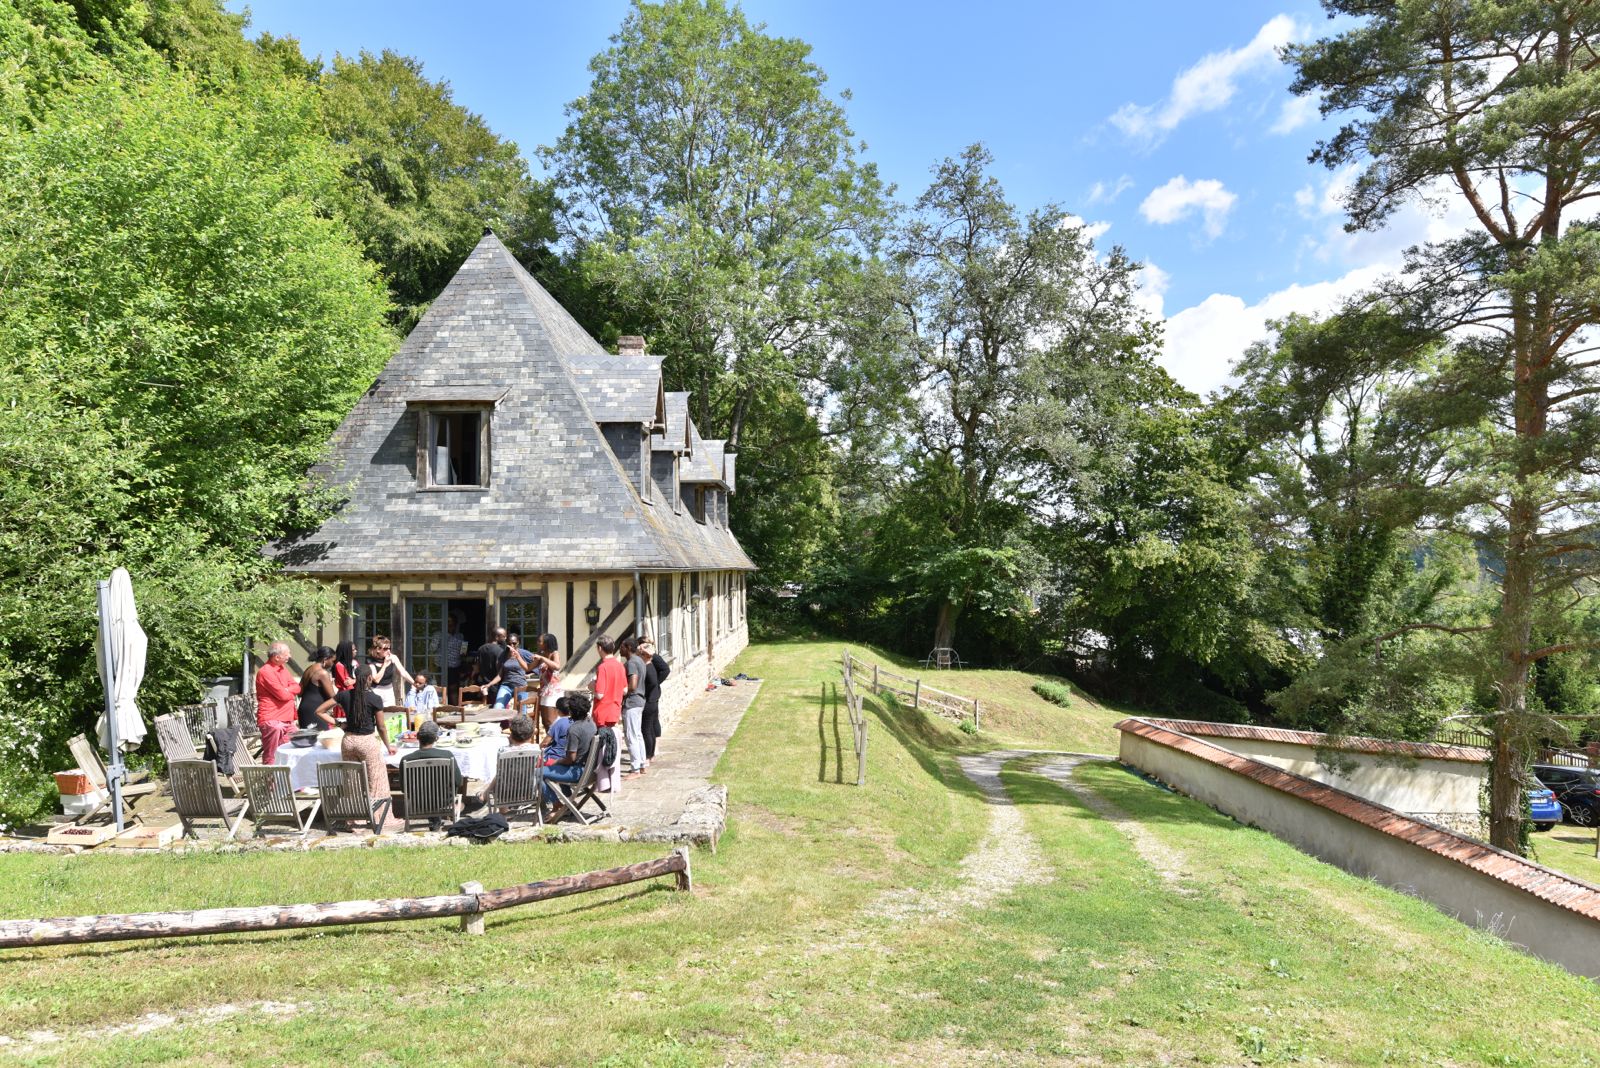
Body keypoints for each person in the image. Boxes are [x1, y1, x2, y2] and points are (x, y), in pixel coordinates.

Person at [336, 669, 394, 820]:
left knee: (352, 781)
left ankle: (355, 819)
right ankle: (378, 817)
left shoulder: (344, 695)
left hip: (348, 740)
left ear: (356, 678)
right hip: (367, 742)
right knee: (376, 781)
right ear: (369, 678)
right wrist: (388, 746)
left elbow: (320, 711)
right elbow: (381, 727)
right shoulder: (375, 698)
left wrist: (339, 724)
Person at [398, 720, 463, 830]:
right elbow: (458, 781)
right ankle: (440, 817)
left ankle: (434, 820)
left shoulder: (406, 759)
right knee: (461, 804)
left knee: (428, 794)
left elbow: (404, 789)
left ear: (417, 737)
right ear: (436, 738)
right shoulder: (447, 755)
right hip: (444, 802)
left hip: (418, 802)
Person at [541, 693, 595, 822]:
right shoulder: (591, 723)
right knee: (560, 767)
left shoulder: (574, 730)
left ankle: (557, 805)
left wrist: (554, 762)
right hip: (591, 772)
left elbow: (570, 759)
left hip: (577, 772)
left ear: (571, 711)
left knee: (538, 772)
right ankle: (570, 801)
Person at [254, 641, 300, 764]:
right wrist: (288, 692)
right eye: (287, 654)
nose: (289, 656)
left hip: (287, 720)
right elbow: (282, 695)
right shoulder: (266, 672)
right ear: (277, 657)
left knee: (293, 750)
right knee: (272, 754)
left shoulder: (282, 669)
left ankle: (289, 776)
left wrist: (287, 689)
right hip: (272, 719)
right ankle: (270, 776)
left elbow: (297, 687)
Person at [590, 635, 625, 791]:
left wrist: (592, 685)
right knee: (613, 746)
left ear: (599, 648)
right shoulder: (620, 665)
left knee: (602, 749)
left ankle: (603, 783)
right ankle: (613, 783)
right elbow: (625, 689)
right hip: (615, 710)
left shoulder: (603, 667)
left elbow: (599, 694)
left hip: (602, 711)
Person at [619, 637, 648, 779]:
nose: (620, 649)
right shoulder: (640, 660)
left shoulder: (631, 663)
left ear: (628, 648)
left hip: (632, 702)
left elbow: (632, 685)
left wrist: (620, 692)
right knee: (637, 734)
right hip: (640, 701)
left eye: (622, 647)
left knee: (631, 736)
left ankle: (635, 769)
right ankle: (642, 764)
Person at [638, 637, 670, 763]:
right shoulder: (644, 660)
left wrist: (656, 683)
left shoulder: (652, 658)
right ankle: (651, 750)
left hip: (651, 696)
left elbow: (666, 669)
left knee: (651, 723)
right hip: (652, 694)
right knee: (650, 724)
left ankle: (652, 750)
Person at [528, 633, 564, 732]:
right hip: (544, 691)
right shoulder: (541, 654)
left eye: (540, 641)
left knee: (550, 721)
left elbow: (557, 666)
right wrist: (517, 656)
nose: (537, 643)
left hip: (552, 691)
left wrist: (542, 658)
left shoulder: (554, 653)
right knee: (545, 721)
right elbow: (528, 667)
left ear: (546, 643)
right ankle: (551, 740)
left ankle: (555, 740)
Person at [485, 634, 532, 709]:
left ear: (518, 643)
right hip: (506, 686)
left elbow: (535, 664)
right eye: (509, 644)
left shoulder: (523, 653)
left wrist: (531, 673)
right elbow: (500, 675)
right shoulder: (503, 655)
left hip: (521, 686)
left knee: (522, 711)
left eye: (514, 643)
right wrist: (489, 684)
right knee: (497, 707)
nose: (512, 645)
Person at [297, 646, 339, 730]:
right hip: (315, 710)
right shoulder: (323, 673)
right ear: (325, 659)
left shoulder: (309, 669)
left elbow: (300, 692)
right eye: (333, 661)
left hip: (304, 708)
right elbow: (332, 696)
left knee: (308, 737)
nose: (333, 664)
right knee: (321, 736)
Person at [368, 636, 413, 708]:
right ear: (378, 649)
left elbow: (403, 672)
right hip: (376, 690)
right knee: (377, 712)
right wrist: (385, 664)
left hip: (389, 691)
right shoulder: (371, 662)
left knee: (390, 712)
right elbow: (376, 680)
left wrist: (414, 683)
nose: (388, 651)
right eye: (385, 649)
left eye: (389, 648)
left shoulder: (393, 657)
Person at [433, 615, 469, 704]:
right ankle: (441, 708)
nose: (450, 624)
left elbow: (463, 652)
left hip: (455, 667)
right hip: (441, 667)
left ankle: (455, 709)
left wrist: (463, 659)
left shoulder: (460, 636)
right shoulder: (438, 634)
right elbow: (432, 649)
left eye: (452, 622)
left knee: (453, 689)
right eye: (448, 622)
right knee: (441, 689)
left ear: (456, 624)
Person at [474, 627, 507, 699]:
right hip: (495, 686)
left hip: (482, 686)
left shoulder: (481, 649)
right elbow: (500, 672)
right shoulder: (500, 651)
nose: (505, 638)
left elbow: (476, 668)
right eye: (503, 636)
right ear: (497, 637)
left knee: (484, 705)